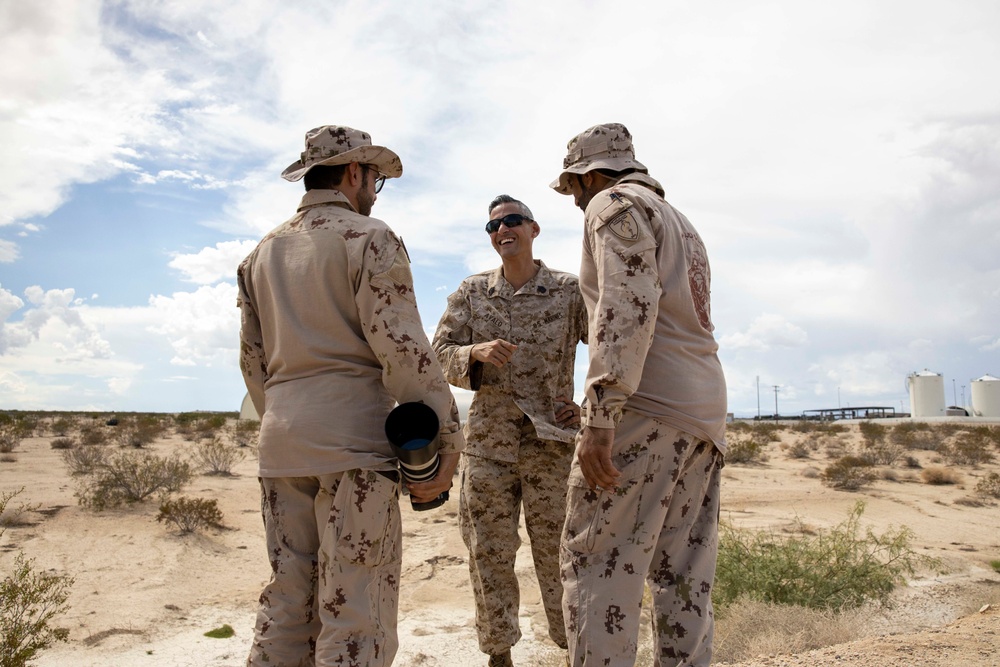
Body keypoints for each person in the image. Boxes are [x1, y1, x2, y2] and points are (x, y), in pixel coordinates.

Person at [237, 125, 465, 667]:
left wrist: (286, 422)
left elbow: (252, 362)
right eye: (375, 179)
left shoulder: (260, 253)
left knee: (288, 602)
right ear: (353, 172)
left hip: (283, 445)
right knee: (355, 609)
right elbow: (404, 349)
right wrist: (447, 435)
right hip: (355, 446)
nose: (374, 192)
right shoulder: (369, 237)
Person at [550, 123, 728, 667]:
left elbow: (626, 306)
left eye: (574, 189)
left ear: (591, 175)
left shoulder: (612, 203)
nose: (577, 202)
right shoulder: (681, 221)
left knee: (597, 564)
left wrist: (601, 414)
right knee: (684, 577)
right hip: (702, 412)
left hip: (644, 408)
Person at [432, 195, 588, 667]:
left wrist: (589, 409)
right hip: (489, 447)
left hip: (552, 446)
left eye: (512, 221)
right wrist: (472, 353)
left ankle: (572, 651)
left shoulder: (568, 290)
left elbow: (611, 345)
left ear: (534, 229)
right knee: (488, 554)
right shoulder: (472, 292)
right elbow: (437, 350)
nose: (502, 229)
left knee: (561, 556)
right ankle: (499, 654)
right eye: (493, 225)